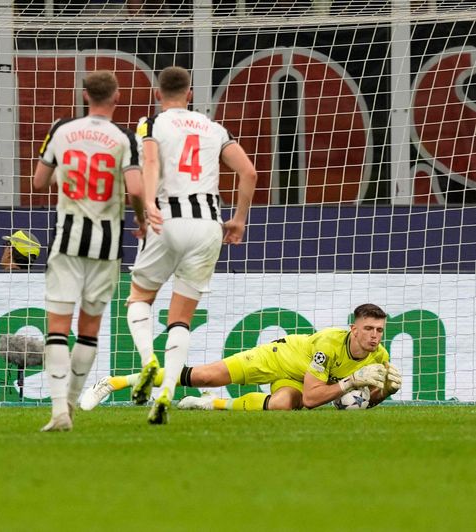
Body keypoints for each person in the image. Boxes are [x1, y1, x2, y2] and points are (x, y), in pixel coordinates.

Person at [126, 66, 257, 425]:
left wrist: (150, 202)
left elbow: (150, 160)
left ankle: (147, 361)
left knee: (139, 299)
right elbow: (249, 173)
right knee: (180, 317)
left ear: (157, 93)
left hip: (167, 219)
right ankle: (167, 386)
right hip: (208, 226)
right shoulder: (214, 128)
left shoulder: (150, 123)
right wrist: (239, 219)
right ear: (190, 94)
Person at [33, 70, 158, 432]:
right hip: (106, 242)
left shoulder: (61, 129)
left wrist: (64, 176)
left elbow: (39, 181)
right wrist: (140, 219)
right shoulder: (124, 137)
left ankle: (58, 411)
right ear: (116, 98)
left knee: (57, 327)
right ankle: (71, 402)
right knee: (89, 330)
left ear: (84, 95)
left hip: (67, 239)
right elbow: (136, 188)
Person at [80, 303, 403, 411]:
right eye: (369, 328)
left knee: (282, 406)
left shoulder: (380, 355)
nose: (375, 335)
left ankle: (209, 404)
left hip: (297, 379)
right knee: (205, 376)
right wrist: (349, 382)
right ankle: (113, 382)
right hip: (276, 358)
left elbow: (361, 403)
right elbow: (313, 396)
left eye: (379, 330)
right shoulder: (329, 344)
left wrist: (385, 391)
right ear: (354, 328)